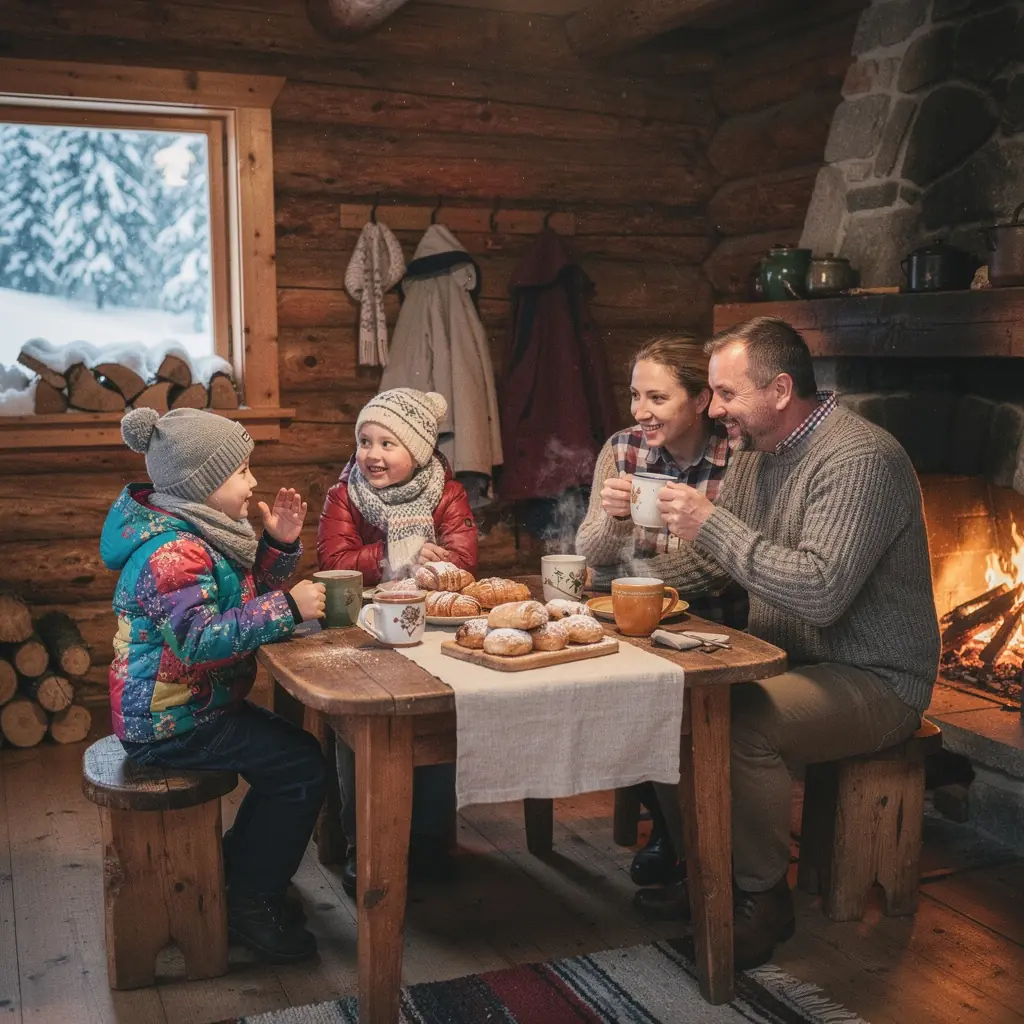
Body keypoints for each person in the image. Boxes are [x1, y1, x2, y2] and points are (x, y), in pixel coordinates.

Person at [615, 317, 939, 970]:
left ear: (782, 388)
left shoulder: (860, 460)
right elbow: (714, 565)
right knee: (663, 702)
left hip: (875, 676)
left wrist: (710, 524)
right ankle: (705, 873)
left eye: (726, 393)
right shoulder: (757, 452)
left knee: (739, 722)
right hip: (792, 662)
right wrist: (621, 584)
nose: (715, 408)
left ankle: (762, 899)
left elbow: (821, 591)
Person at [99, 407, 328, 965]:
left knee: (294, 758)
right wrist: (287, 605)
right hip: (170, 724)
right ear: (202, 486)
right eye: (243, 471)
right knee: (299, 767)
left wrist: (276, 546)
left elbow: (235, 600)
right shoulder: (173, 554)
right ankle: (251, 897)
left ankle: (240, 873)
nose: (253, 482)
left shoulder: (197, 535)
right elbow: (201, 640)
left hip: (190, 709)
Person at [575, 334, 747, 889]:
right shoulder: (622, 447)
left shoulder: (735, 456)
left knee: (662, 699)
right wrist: (613, 519)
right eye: (635, 396)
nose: (639, 413)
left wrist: (633, 588)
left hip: (715, 622)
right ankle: (669, 826)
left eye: (657, 398)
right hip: (631, 614)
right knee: (608, 683)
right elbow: (588, 555)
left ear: (699, 401)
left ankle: (681, 838)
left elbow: (721, 569)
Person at [317, 387, 477, 898]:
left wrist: (441, 563)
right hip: (357, 628)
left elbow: (464, 561)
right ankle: (362, 840)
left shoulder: (448, 493)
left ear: (420, 449)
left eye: (388, 443)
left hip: (424, 625)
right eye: (365, 441)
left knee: (434, 717)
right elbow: (335, 559)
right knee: (360, 726)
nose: (372, 455)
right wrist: (396, 551)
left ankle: (427, 837)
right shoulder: (345, 494)